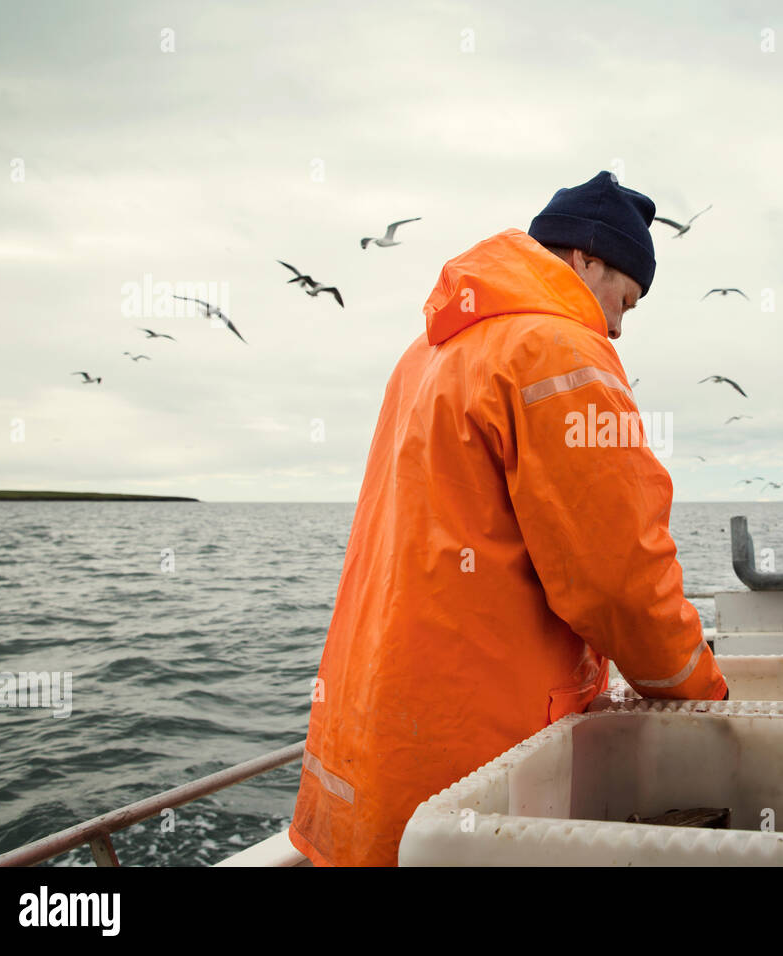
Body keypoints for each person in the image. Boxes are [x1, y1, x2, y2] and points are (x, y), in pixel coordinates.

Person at [288, 171, 728, 867]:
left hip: (379, 746)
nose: (617, 323)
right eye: (626, 298)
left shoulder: (427, 353)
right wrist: (701, 690)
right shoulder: (559, 351)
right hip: (477, 762)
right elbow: (617, 576)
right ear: (586, 259)